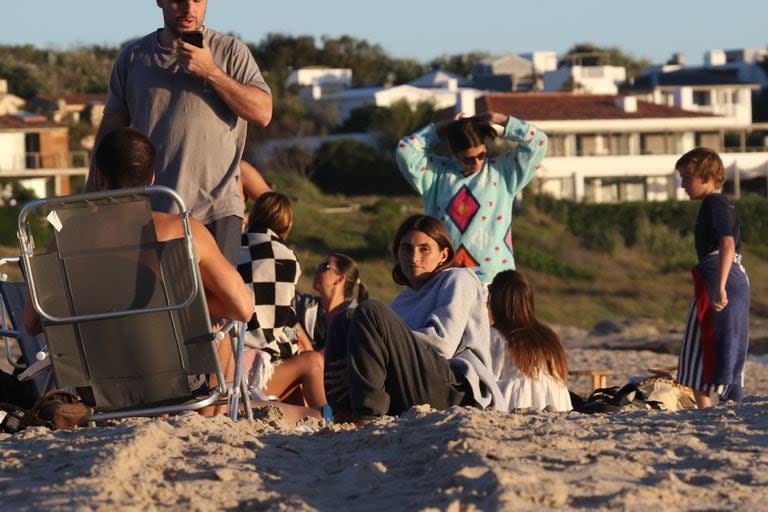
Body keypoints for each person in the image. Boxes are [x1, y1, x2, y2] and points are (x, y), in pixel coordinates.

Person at [88, 0, 273, 264]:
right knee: (156, 303)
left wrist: (211, 72)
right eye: (178, 1)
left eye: (197, 0)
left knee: (216, 305)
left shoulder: (230, 51)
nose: (189, 10)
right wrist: (90, 200)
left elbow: (263, 113)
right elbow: (109, 133)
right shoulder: (132, 57)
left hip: (216, 210)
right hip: (151, 212)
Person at [24, 127, 253, 336]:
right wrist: (181, 299)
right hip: (170, 374)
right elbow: (242, 309)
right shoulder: (183, 230)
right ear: (152, 179)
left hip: (92, 376)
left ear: (100, 178)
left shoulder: (70, 234)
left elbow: (32, 322)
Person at [325, 214, 503, 422]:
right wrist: (363, 367)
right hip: (409, 388)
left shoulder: (457, 279)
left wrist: (372, 360)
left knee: (370, 310)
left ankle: (368, 417)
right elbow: (389, 352)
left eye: (424, 249)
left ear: (443, 255)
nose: (414, 257)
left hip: (455, 390)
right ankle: (344, 415)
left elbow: (442, 344)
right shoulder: (401, 301)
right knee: (343, 321)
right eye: (406, 249)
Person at [395, 111, 548, 284]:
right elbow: (405, 151)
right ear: (454, 153)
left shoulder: (503, 172)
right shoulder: (436, 174)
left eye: (481, 155)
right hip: (444, 279)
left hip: (494, 281)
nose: (476, 163)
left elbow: (538, 142)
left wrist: (502, 121)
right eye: (467, 159)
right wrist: (441, 128)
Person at [236, 192, 330, 419]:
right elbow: (279, 321)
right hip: (248, 369)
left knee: (299, 356)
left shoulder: (231, 247)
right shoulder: (285, 257)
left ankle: (313, 415)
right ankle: (325, 418)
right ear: (286, 223)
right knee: (312, 361)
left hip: (228, 356)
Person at [675, 147, 750, 408]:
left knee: (699, 352)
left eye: (687, 178)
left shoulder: (714, 203)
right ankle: (729, 409)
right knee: (728, 347)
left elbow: (727, 244)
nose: (683, 184)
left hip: (720, 275)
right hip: (729, 275)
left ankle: (707, 415)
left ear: (707, 177)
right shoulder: (721, 203)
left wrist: (719, 286)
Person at [487, 270, 572, 412]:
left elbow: (489, 377)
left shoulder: (497, 335)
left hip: (518, 400)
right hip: (558, 402)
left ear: (496, 301)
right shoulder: (548, 335)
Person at [295, 253, 369, 352]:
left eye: (324, 266)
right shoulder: (303, 304)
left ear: (339, 279)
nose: (316, 269)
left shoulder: (353, 318)